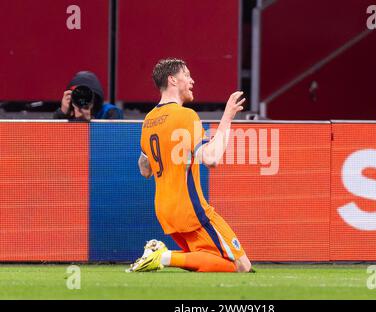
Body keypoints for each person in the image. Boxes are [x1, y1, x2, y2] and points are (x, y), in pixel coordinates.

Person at [127, 58, 252, 273]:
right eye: (187, 75)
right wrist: (228, 117)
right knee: (241, 265)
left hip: (165, 211)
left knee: (207, 259)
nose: (192, 81)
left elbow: (144, 169)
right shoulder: (185, 116)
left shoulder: (149, 119)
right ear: (172, 80)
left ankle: (161, 256)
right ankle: (163, 256)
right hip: (190, 210)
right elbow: (211, 158)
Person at [53, 71, 123, 121]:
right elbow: (53, 139)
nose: (82, 98)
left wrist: (89, 122)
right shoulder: (67, 113)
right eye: (78, 95)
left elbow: (112, 140)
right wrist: (62, 114)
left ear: (95, 98)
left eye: (86, 95)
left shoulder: (109, 112)